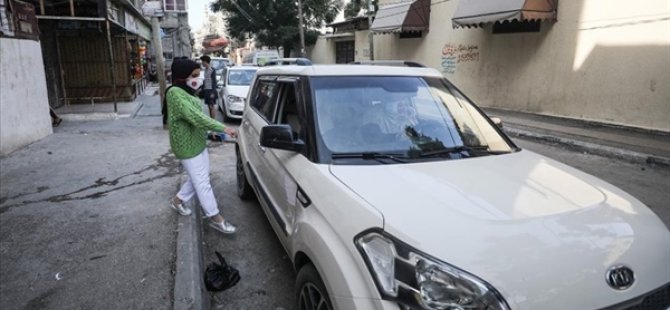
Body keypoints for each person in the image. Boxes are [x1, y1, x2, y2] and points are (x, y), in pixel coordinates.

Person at [165, 58, 238, 234]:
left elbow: (194, 119)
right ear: (182, 76)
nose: (197, 78)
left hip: (197, 142)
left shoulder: (188, 91)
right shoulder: (175, 93)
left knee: (200, 177)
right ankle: (216, 218)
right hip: (186, 147)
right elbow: (195, 117)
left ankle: (177, 201)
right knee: (202, 182)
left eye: (199, 75)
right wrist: (223, 127)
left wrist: (208, 133)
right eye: (194, 75)